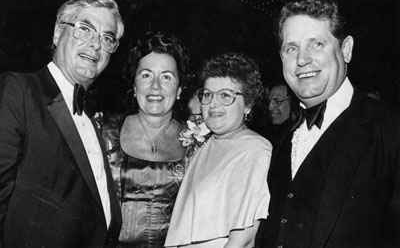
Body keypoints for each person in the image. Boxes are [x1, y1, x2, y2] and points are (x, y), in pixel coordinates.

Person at [256, 0, 400, 248]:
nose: (302, 60)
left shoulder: (389, 129)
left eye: (317, 44)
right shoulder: (279, 142)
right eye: (291, 48)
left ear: (346, 50)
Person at [0, 0, 125, 248]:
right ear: (58, 33)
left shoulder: (91, 120)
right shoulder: (19, 91)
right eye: (85, 29)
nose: (96, 45)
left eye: (107, 38)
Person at [165, 52, 272, 248]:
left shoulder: (254, 149)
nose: (213, 103)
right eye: (207, 95)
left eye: (225, 95)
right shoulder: (206, 146)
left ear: (247, 104)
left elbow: (244, 238)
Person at [102, 31, 189, 248]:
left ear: (179, 90)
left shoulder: (197, 143)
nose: (156, 87)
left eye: (166, 77)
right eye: (146, 75)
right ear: (134, 86)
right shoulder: (103, 132)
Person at [266, 82, 298, 146]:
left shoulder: (299, 137)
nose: (270, 107)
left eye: (277, 101)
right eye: (269, 101)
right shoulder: (268, 134)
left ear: (292, 102)